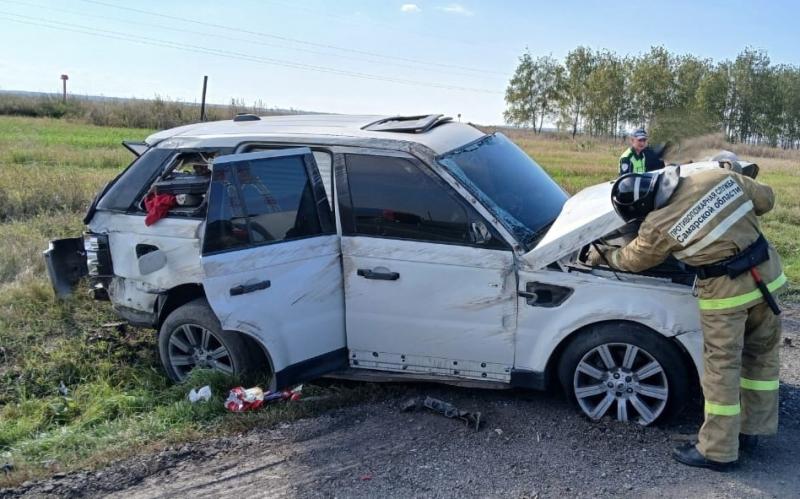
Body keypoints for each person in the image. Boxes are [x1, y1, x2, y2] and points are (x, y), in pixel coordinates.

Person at [586, 163, 786, 471]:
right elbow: (766, 200)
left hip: (726, 294)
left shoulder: (658, 223)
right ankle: (752, 431)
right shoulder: (719, 176)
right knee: (760, 358)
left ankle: (717, 451)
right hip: (768, 279)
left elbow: (633, 260)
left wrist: (602, 255)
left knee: (722, 369)